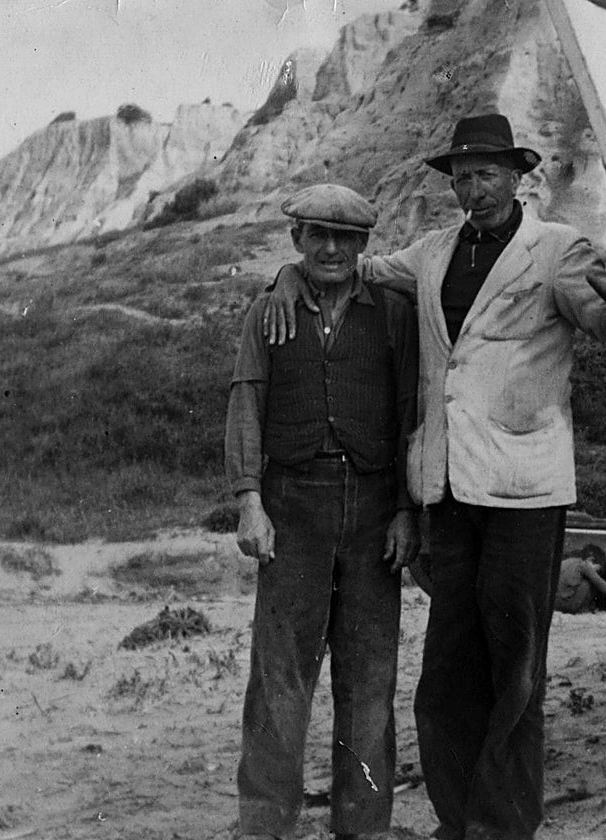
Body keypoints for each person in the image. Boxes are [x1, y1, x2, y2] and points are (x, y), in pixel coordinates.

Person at [263, 114, 606, 840]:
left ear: (517, 178)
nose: (474, 188)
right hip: (447, 490)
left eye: (488, 174)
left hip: (523, 489)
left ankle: (501, 826)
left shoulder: (557, 250)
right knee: (447, 670)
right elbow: (354, 267)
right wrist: (292, 273)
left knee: (515, 665)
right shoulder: (433, 252)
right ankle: (457, 819)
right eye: (463, 176)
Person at [224, 183, 420, 840]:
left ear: (363, 245)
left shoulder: (393, 313)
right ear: (297, 240)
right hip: (292, 507)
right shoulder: (267, 312)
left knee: (369, 678)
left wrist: (406, 509)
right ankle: (264, 822)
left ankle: (363, 825)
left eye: (345, 238)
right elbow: (246, 402)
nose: (331, 248)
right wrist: (249, 502)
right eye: (317, 235)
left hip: (373, 511)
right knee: (279, 673)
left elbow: (410, 415)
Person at [555, 547, 606, 613]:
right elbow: (600, 582)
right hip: (567, 604)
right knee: (588, 583)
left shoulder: (566, 562)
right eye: (597, 570)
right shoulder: (584, 565)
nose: (596, 572)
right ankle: (584, 610)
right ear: (590, 560)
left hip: (555, 604)